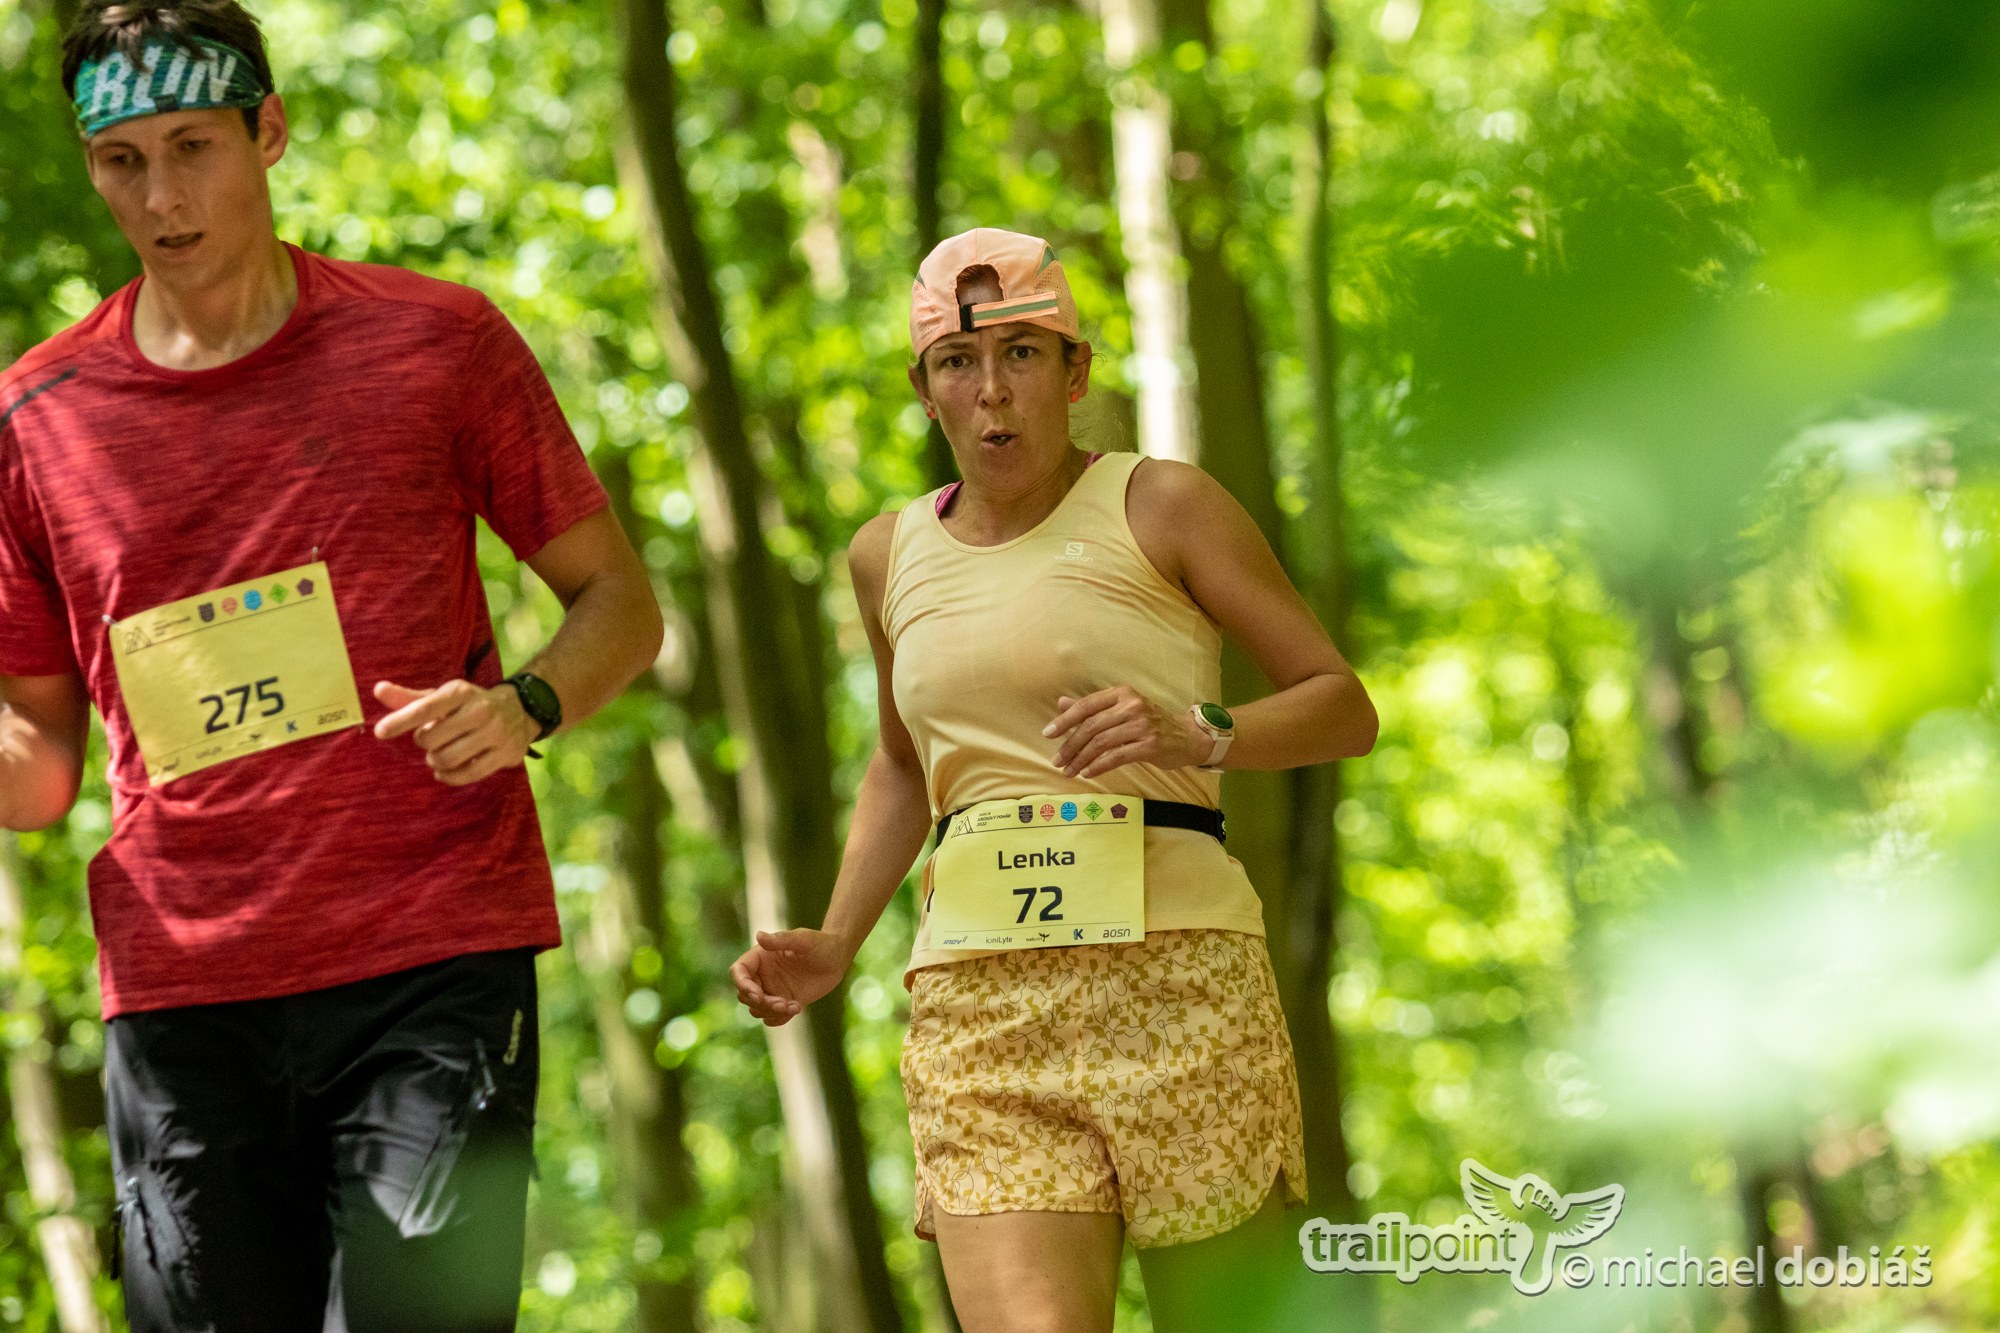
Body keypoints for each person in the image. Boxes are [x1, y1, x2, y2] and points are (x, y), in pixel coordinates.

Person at [0, 2, 663, 1327]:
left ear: (271, 132)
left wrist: (524, 705)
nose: (161, 197)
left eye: (193, 146)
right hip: (184, 992)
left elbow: (622, 606)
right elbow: (38, 767)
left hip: (430, 959)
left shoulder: (438, 343)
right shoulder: (37, 420)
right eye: (123, 160)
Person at [730, 227, 1378, 1332]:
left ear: (1074, 374)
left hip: (1180, 979)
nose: (991, 391)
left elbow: (1341, 705)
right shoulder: (885, 553)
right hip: (981, 1005)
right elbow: (903, 764)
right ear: (924, 391)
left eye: (1022, 355)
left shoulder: (1163, 503)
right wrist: (837, 938)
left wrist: (1197, 730)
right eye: (957, 362)